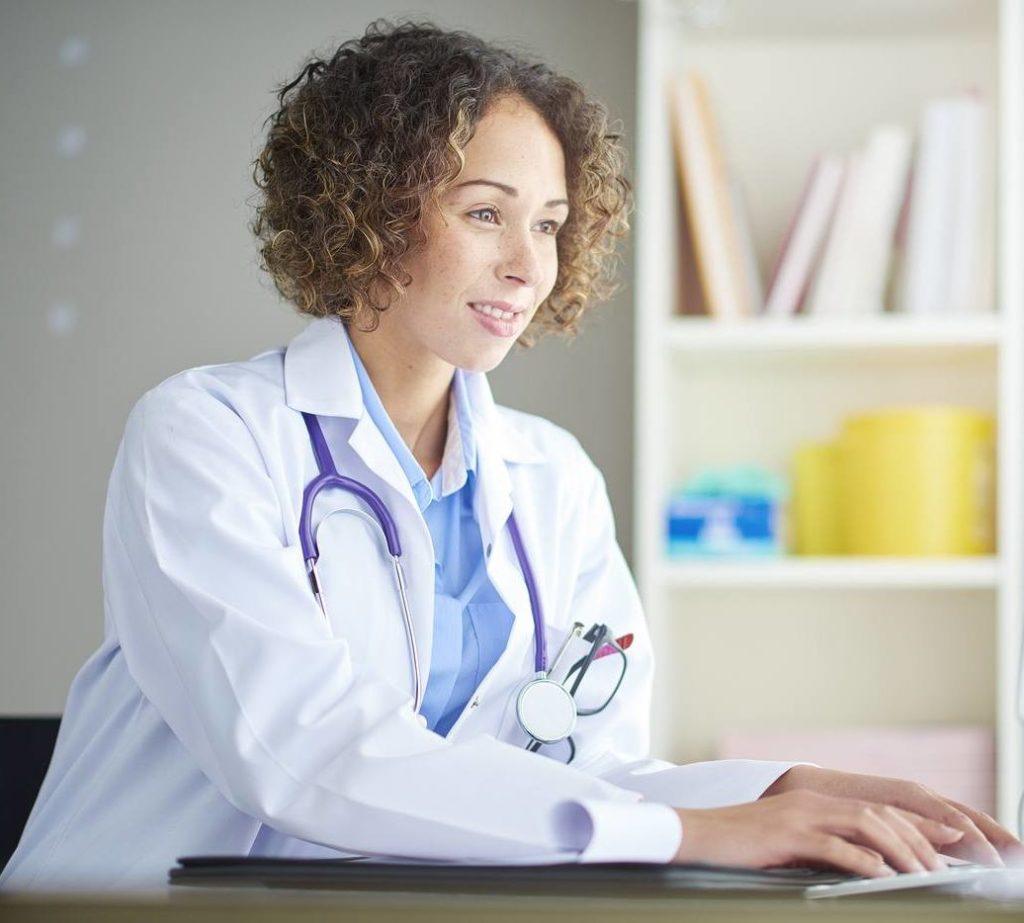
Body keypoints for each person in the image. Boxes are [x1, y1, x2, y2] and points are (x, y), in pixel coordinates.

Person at [1, 19, 1019, 892]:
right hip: (136, 904)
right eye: (485, 213)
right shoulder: (204, 434)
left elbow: (594, 776)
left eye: (549, 223)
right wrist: (693, 829)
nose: (530, 265)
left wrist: (773, 791)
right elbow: (301, 754)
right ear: (367, 209)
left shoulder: (550, 475)